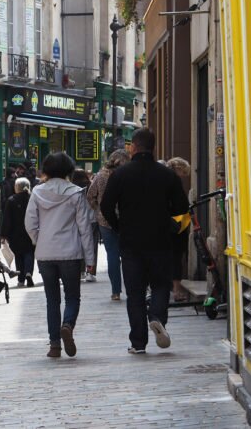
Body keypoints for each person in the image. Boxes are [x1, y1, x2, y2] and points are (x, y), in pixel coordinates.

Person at [101, 128, 189, 354]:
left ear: (133, 147)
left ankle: (138, 343)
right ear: (153, 147)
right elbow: (182, 208)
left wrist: (119, 226)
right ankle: (157, 317)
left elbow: (106, 206)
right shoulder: (167, 175)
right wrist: (170, 225)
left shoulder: (120, 175)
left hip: (130, 242)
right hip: (160, 240)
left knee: (135, 292)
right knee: (161, 284)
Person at [25, 152, 95, 359]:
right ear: (68, 170)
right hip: (70, 252)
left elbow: (30, 223)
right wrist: (90, 260)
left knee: (51, 299)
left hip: (45, 253)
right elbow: (85, 228)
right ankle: (68, 324)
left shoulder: (37, 192)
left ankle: (54, 345)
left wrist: (40, 239)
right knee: (72, 296)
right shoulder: (75, 193)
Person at [86, 150, 130, 301]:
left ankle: (116, 291)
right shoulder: (125, 175)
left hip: (104, 220)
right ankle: (132, 288)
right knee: (128, 255)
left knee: (112, 255)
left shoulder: (100, 176)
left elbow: (90, 195)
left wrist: (97, 209)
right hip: (125, 219)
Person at [165, 157, 193, 302]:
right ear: (178, 169)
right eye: (184, 173)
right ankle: (176, 289)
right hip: (176, 225)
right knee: (176, 257)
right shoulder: (173, 181)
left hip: (162, 225)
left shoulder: (162, 178)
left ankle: (164, 287)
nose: (184, 176)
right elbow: (180, 204)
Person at [1, 177, 35, 287]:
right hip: (30, 231)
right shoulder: (32, 198)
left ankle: (21, 279)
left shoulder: (11, 200)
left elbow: (7, 219)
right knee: (29, 252)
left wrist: (4, 234)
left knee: (19, 255)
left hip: (15, 233)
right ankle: (29, 272)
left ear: (16, 187)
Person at [70, 168, 96, 282]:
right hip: (92, 219)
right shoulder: (91, 185)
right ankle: (91, 272)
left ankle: (80, 271)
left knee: (78, 244)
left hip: (77, 219)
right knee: (92, 244)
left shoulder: (71, 188)